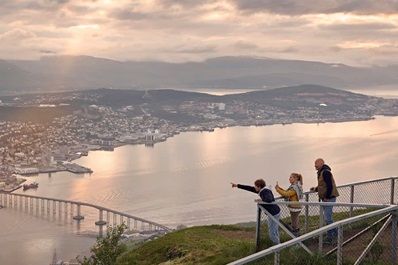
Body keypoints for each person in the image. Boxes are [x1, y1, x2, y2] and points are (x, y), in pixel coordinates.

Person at [231, 179, 281, 244]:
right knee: (275, 231)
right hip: (274, 212)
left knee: (272, 234)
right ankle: (279, 246)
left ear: (259, 187)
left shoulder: (265, 191)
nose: (254, 187)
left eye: (255, 186)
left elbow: (269, 199)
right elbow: (249, 188)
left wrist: (261, 200)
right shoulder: (262, 190)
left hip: (273, 213)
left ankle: (278, 249)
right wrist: (237, 185)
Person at [310, 158, 339, 243]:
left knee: (328, 218)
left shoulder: (326, 172)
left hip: (329, 198)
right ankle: (334, 234)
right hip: (327, 198)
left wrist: (326, 197)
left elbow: (329, 186)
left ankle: (332, 236)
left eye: (316, 164)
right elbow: (323, 185)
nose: (315, 165)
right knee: (328, 218)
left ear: (322, 163)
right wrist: (315, 189)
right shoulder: (322, 172)